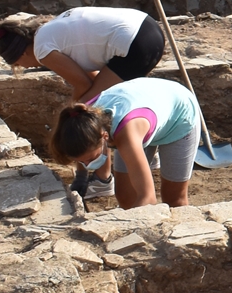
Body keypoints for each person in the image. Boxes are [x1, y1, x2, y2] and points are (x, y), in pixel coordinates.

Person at [50, 77, 201, 209]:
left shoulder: (126, 135)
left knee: (174, 200)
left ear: (104, 137)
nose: (88, 165)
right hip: (146, 107)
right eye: (81, 162)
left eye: (90, 160)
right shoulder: (82, 117)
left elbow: (148, 198)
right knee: (125, 195)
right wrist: (81, 176)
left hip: (178, 115)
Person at [0, 6, 165, 102]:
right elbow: (93, 80)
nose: (26, 67)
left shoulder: (42, 49)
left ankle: (98, 158)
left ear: (22, 54)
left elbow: (83, 85)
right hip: (148, 27)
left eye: (18, 65)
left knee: (89, 107)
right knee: (120, 97)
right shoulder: (50, 32)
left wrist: (70, 109)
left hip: (134, 43)